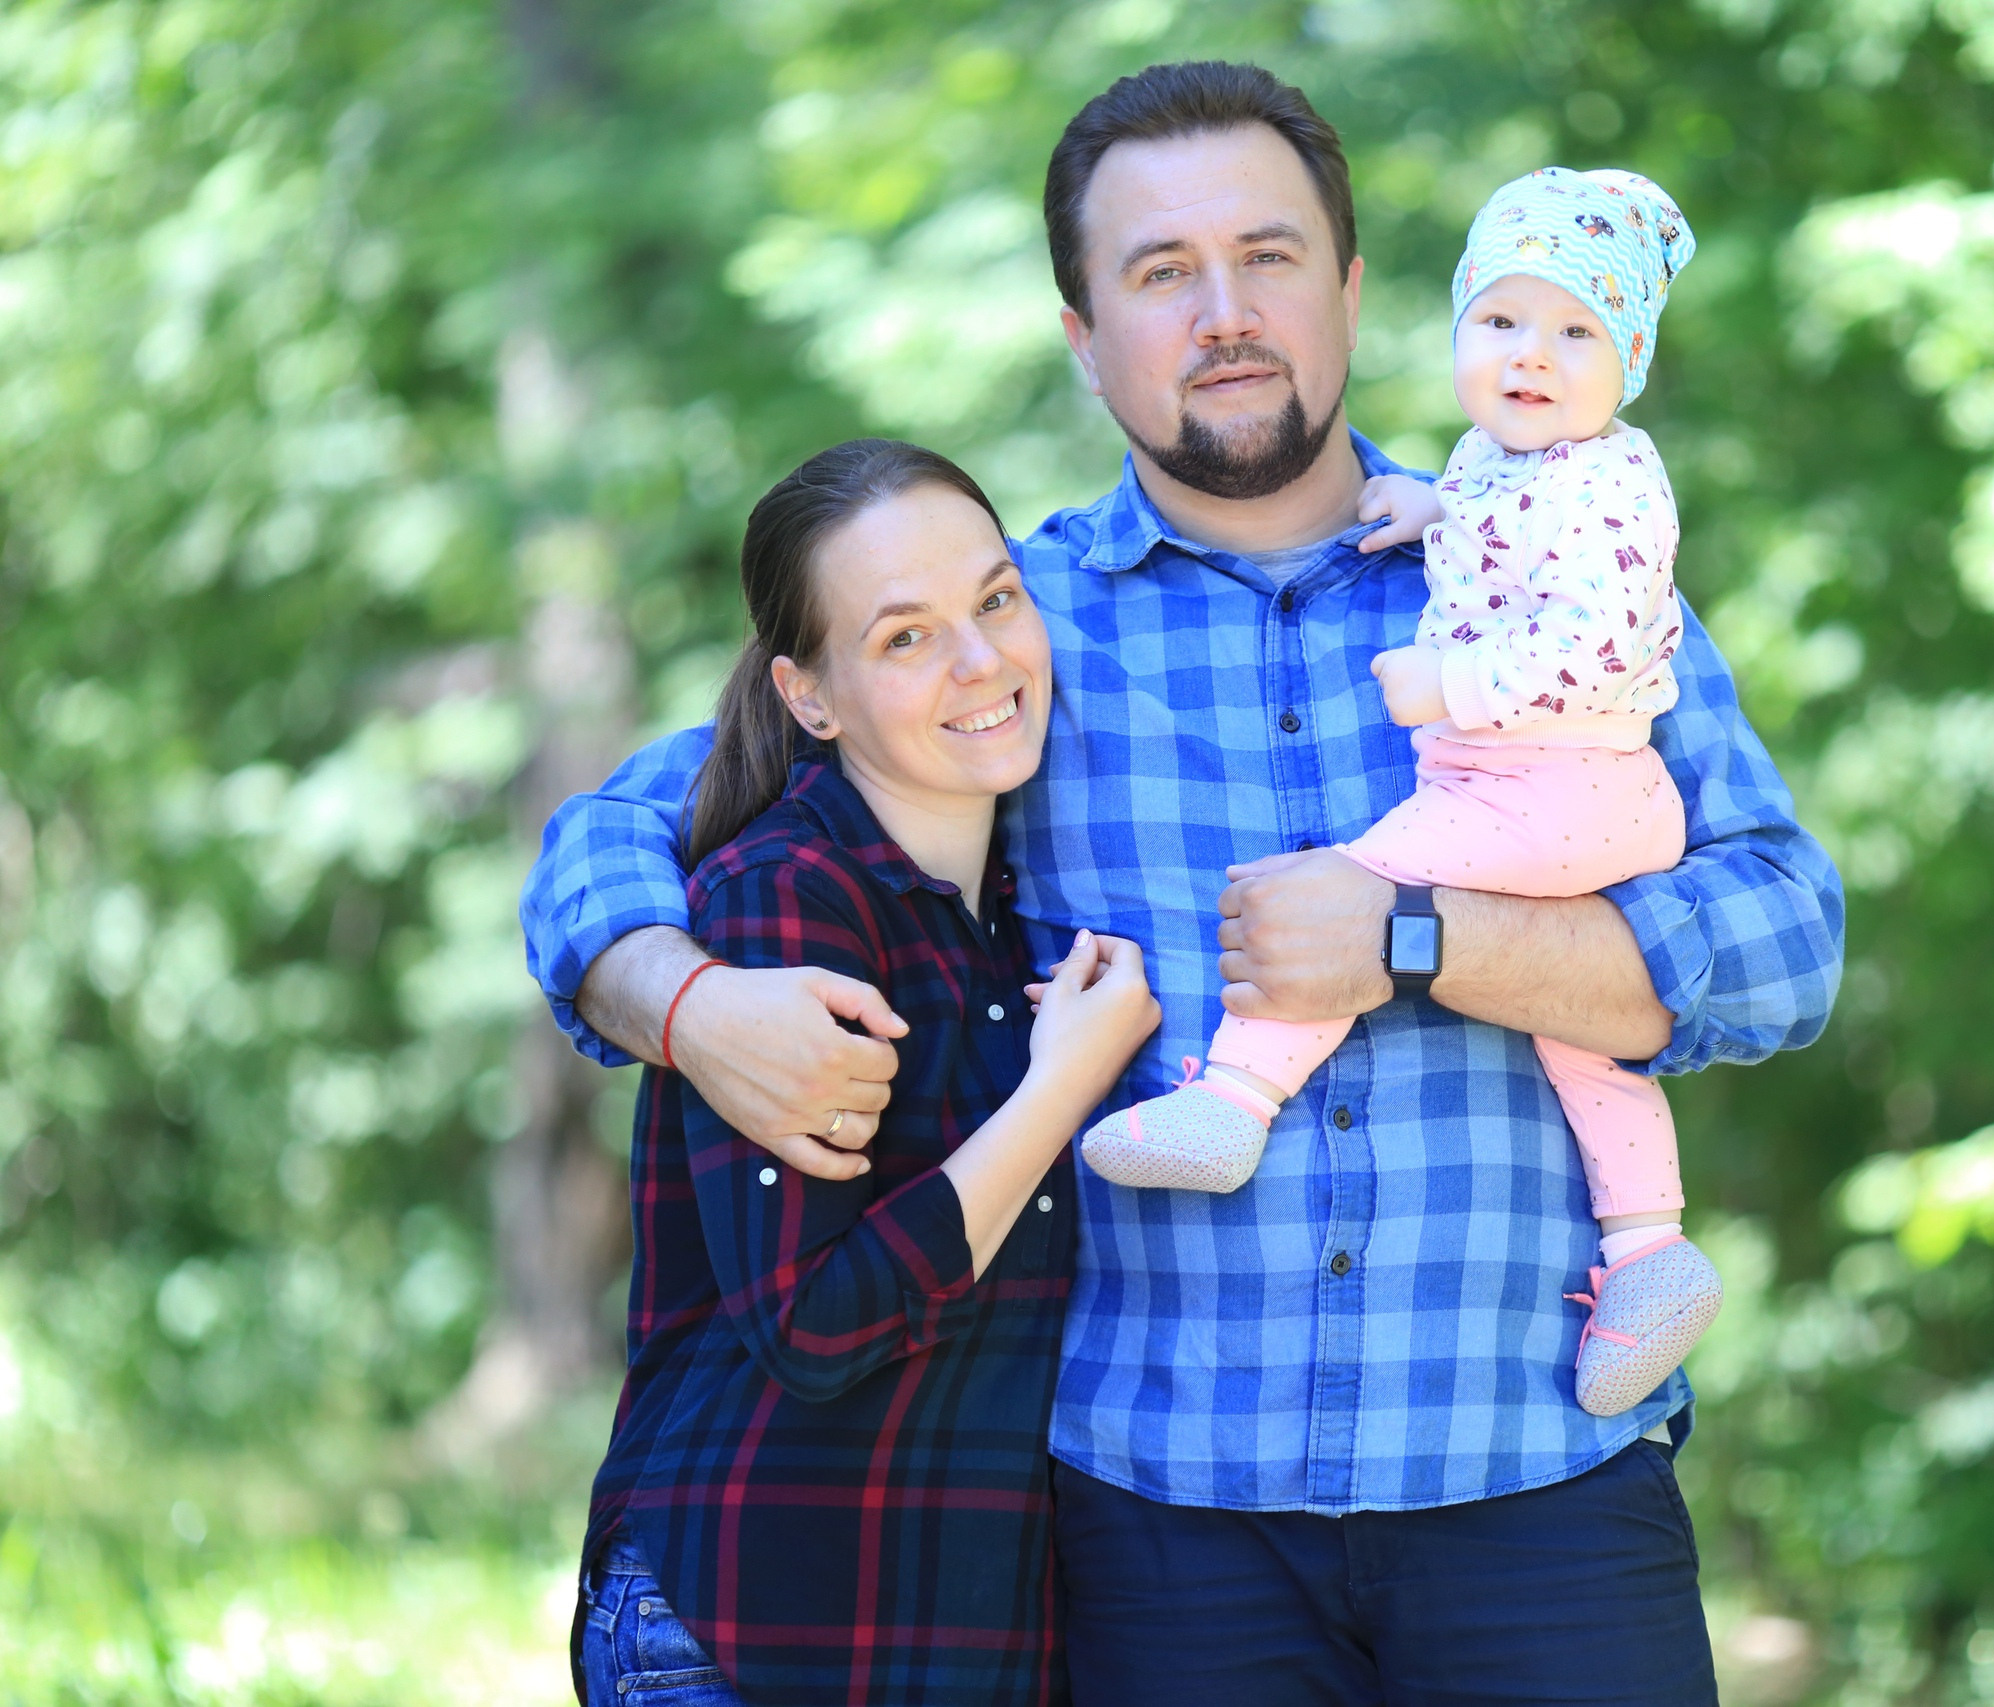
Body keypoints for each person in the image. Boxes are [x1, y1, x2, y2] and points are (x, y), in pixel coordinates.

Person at [527, 61, 1845, 1705]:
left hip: (1546, 1487)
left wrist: (1422, 935)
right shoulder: (1010, 636)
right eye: (1161, 272)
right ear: (1084, 335)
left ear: (1351, 286)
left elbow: (1787, 936)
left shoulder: (1555, 578)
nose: (1225, 313)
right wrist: (686, 1002)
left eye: (1268, 255)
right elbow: (624, 824)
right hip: (1157, 1543)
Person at [1080, 165, 1724, 1422]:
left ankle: (1235, 1097)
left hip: (1554, 786)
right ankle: (1651, 1248)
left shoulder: (1617, 485)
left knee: (1354, 888)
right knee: (1581, 1046)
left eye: (1575, 332)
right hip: (1553, 797)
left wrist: (1452, 682)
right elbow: (1507, 526)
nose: (1529, 354)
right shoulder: (1500, 464)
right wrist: (1435, 509)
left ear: (1630, 363)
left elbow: (1593, 638)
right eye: (1501, 320)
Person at [573, 438, 1161, 1706]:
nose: (979, 661)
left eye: (995, 600)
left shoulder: (1014, 915)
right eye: (905, 637)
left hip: (947, 1644)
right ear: (811, 698)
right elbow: (816, 1322)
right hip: (743, 1629)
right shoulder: (783, 903)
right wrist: (1058, 1091)